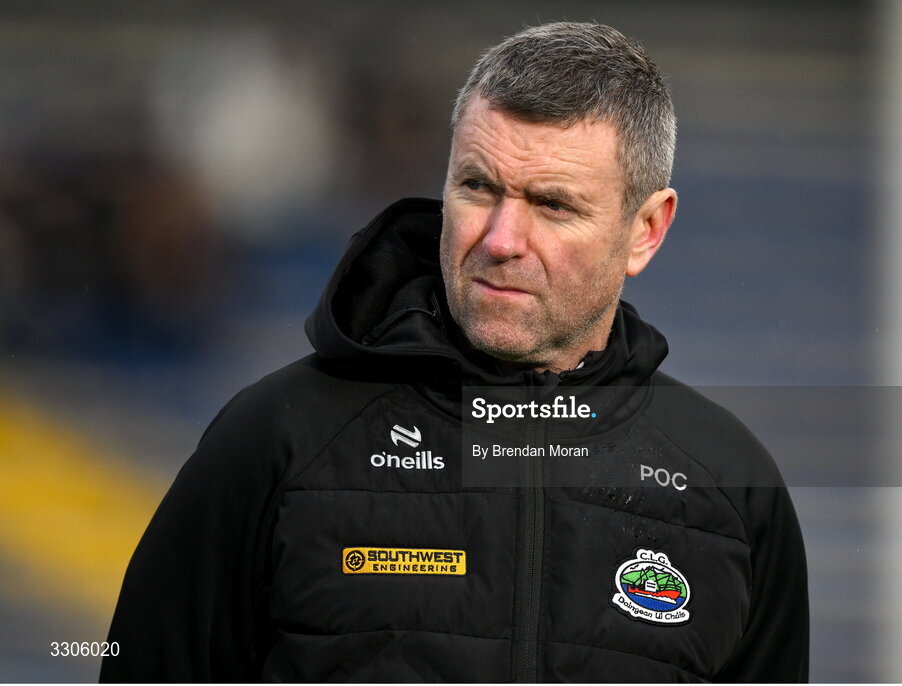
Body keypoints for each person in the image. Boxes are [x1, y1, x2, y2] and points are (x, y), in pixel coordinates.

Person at [101, 22, 808, 682]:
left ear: (646, 232)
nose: (500, 238)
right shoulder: (274, 441)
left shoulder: (734, 491)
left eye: (553, 205)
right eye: (477, 187)